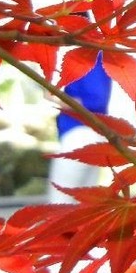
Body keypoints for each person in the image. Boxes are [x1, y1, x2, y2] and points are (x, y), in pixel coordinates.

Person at [46, 51, 112, 203]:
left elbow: (95, 101)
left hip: (80, 134)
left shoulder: (90, 58)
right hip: (88, 134)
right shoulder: (88, 58)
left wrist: (55, 97)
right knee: (82, 205)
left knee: (60, 203)